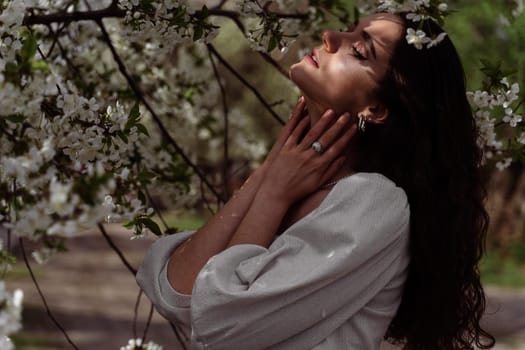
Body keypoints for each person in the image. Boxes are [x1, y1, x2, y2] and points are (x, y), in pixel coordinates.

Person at [136, 12, 495, 350]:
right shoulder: (300, 182)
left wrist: (272, 193)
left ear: (377, 109)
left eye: (358, 49)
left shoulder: (373, 200)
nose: (329, 36)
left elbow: (217, 324)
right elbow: (172, 291)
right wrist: (269, 173)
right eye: (349, 28)